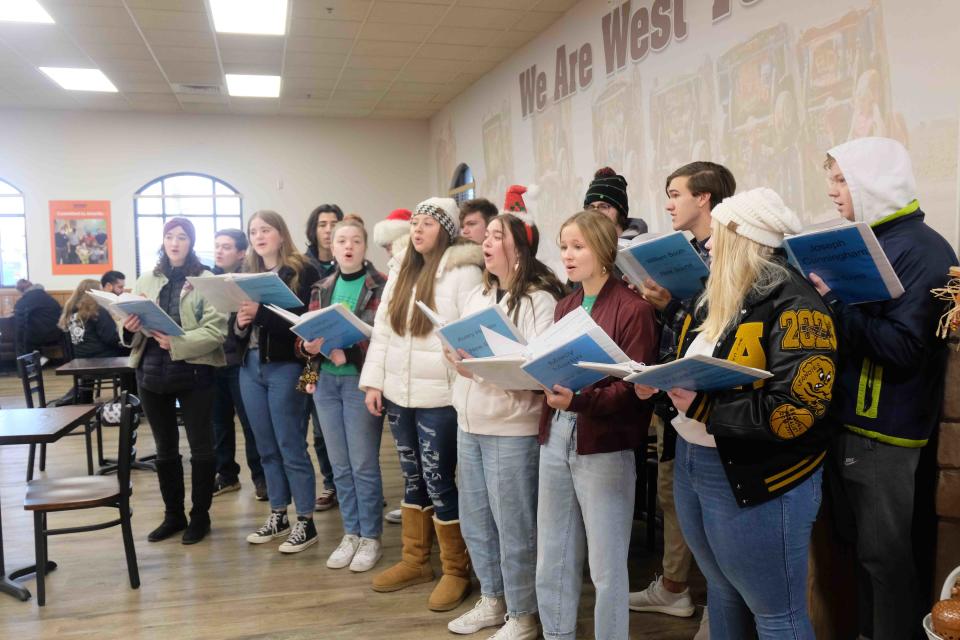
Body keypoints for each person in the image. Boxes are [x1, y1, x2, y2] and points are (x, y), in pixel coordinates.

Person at [640, 188, 837, 639]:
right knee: (721, 590)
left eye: (720, 234)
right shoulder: (714, 294)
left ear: (746, 238)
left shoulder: (796, 303)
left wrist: (706, 405)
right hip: (696, 458)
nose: (708, 244)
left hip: (761, 473)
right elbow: (686, 366)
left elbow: (798, 409)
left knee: (776, 611)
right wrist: (658, 388)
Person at [812, 138, 958, 640]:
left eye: (841, 179)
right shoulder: (872, 239)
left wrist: (835, 302)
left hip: (886, 428)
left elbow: (903, 350)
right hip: (854, 419)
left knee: (886, 560)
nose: (832, 191)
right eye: (831, 179)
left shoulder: (922, 250)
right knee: (863, 554)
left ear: (873, 181)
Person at [536, 210, 658, 640]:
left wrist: (581, 399)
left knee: (606, 566)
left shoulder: (634, 308)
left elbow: (634, 388)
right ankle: (557, 634)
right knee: (552, 553)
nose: (567, 256)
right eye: (564, 247)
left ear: (604, 250)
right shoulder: (565, 305)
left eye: (577, 247)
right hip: (556, 433)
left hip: (605, 443)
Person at [445, 205, 566, 639]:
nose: (487, 242)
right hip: (471, 420)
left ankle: (522, 613)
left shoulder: (539, 299)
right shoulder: (478, 295)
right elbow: (469, 354)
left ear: (520, 248)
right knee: (476, 519)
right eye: (487, 235)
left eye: (497, 235)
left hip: (512, 427)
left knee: (514, 525)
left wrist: (479, 366)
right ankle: (492, 599)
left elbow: (538, 368)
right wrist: (458, 360)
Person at [360, 196, 483, 611]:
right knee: (412, 478)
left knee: (439, 480)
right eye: (414, 222)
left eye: (427, 223)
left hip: (440, 398)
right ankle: (415, 560)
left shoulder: (462, 272)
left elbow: (467, 334)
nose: (417, 229)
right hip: (399, 394)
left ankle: (455, 570)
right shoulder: (400, 269)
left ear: (445, 230)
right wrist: (374, 383)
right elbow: (382, 332)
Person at [631, 162, 736, 633]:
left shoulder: (733, 254)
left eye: (676, 194)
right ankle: (678, 587)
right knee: (677, 496)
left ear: (705, 198)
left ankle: (720, 606)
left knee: (715, 511)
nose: (669, 204)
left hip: (717, 406)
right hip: (675, 398)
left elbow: (721, 326)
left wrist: (670, 305)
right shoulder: (688, 251)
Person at [121, 217, 227, 545]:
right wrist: (129, 326)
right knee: (165, 450)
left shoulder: (206, 280)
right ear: (163, 241)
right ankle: (174, 515)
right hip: (151, 374)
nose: (175, 242)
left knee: (201, 449)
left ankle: (201, 516)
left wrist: (176, 343)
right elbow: (129, 326)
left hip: (194, 373)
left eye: (182, 237)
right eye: (170, 236)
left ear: (191, 243)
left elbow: (216, 331)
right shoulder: (147, 278)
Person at [301, 217, 388, 572]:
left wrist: (348, 354)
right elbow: (306, 338)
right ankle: (351, 533)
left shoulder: (381, 286)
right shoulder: (321, 287)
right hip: (324, 385)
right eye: (341, 241)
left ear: (364, 246)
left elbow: (383, 340)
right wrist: (308, 355)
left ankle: (371, 537)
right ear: (332, 247)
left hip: (360, 384)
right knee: (339, 465)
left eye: (355, 240)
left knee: (363, 465)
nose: (348, 246)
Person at [234, 210, 321, 554]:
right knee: (265, 446)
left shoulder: (301, 270)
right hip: (250, 366)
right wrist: (241, 323)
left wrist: (260, 314)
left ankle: (306, 521)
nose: (258, 236)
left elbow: (304, 320)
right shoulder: (245, 274)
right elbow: (237, 328)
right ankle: (278, 513)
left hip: (286, 365)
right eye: (253, 231)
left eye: (265, 229)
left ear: (281, 234)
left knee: (291, 445)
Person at [210, 229, 266, 501]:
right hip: (214, 359)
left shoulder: (249, 279)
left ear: (242, 252)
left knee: (250, 422)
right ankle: (227, 475)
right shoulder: (208, 279)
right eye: (217, 246)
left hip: (240, 360)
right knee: (219, 422)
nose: (219, 251)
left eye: (226, 247)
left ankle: (261, 478)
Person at [372, 207, 413, 526]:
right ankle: (413, 502)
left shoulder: (414, 270)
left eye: (390, 245)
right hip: (397, 378)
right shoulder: (395, 273)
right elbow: (384, 328)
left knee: (425, 462)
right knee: (407, 456)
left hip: (419, 382)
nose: (388, 252)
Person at [303, 203, 343, 510]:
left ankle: (354, 482)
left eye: (334, 223)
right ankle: (331, 484)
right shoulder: (303, 266)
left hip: (346, 356)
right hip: (310, 359)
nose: (328, 230)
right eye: (322, 224)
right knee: (319, 428)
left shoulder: (350, 261)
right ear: (313, 230)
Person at [58, 279, 124, 358]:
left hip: (79, 357)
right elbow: (111, 338)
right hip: (102, 357)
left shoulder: (70, 310)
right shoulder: (97, 311)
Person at [583, 167, 647, 242]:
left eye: (603, 206)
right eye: (591, 207)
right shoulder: (583, 247)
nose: (595, 212)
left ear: (620, 211)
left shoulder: (643, 246)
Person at [13, 279, 62, 356]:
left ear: (21, 291)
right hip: (58, 332)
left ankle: (25, 363)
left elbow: (19, 314)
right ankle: (41, 359)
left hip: (43, 335)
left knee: (20, 337)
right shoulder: (46, 296)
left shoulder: (27, 299)